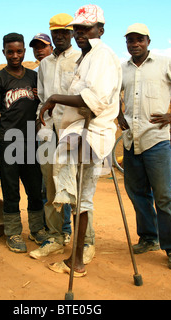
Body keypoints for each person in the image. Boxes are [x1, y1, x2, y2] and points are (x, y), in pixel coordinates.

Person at [39, 4, 122, 277]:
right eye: (77, 28)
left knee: (81, 197)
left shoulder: (102, 56)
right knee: (80, 199)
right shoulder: (85, 58)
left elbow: (94, 102)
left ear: (100, 29)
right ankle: (76, 255)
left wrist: (54, 99)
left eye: (86, 28)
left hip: (91, 132)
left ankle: (77, 258)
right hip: (77, 130)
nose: (79, 33)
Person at [117, 23, 171, 270]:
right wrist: (118, 112)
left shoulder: (166, 63)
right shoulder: (121, 68)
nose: (134, 44)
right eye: (130, 40)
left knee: (164, 196)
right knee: (137, 193)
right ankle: (148, 238)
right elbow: (113, 92)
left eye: (139, 39)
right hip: (130, 141)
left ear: (148, 41)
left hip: (156, 140)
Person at [0, 32, 47, 253]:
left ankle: (37, 228)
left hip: (31, 139)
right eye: (10, 51)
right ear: (3, 52)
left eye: (19, 51)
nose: (15, 55)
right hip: (8, 141)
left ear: (24, 51)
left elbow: (44, 102)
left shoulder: (34, 77)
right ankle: (13, 232)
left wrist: (39, 95)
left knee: (34, 187)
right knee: (11, 189)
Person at [30, 13, 82, 260]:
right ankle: (55, 236)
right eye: (56, 32)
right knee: (50, 185)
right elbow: (42, 97)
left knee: (75, 184)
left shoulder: (81, 58)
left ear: (71, 33)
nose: (60, 36)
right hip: (48, 131)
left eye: (64, 31)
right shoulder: (45, 65)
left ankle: (79, 238)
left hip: (74, 130)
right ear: (51, 34)